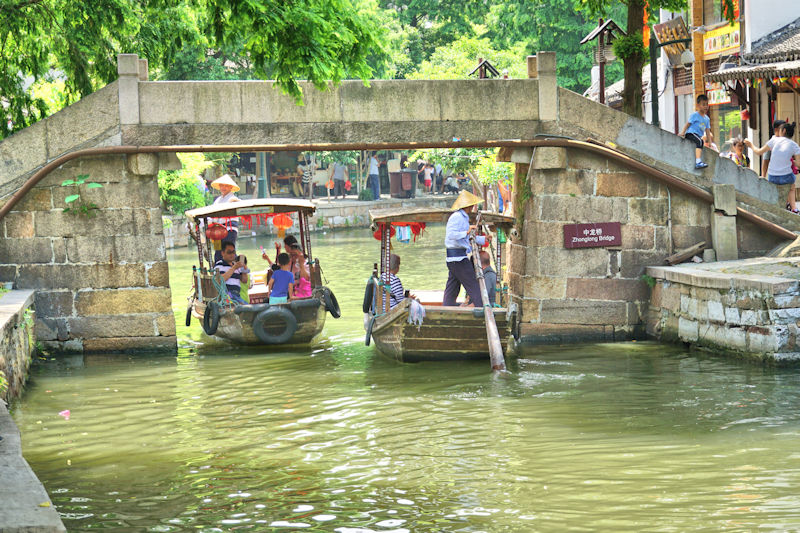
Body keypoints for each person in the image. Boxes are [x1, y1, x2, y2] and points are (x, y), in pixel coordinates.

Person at [443, 190, 488, 307]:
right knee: (473, 284)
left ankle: (447, 307)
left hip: (456, 258)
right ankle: (480, 307)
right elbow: (451, 235)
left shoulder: (463, 218)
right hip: (457, 259)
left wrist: (484, 239)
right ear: (468, 206)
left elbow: (466, 237)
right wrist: (467, 231)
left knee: (453, 286)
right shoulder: (457, 217)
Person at [745, 122, 800, 213]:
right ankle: (794, 208)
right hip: (786, 178)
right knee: (792, 186)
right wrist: (791, 161)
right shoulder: (795, 145)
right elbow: (798, 164)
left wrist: (750, 145)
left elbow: (759, 152)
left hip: (772, 177)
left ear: (783, 131)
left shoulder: (774, 140)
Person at [210, 174, 241, 262]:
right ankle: (219, 269)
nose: (223, 187)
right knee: (219, 253)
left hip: (229, 229)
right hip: (218, 230)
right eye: (222, 185)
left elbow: (240, 204)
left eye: (226, 186)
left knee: (228, 251)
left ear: (231, 187)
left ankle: (234, 269)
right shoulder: (218, 200)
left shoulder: (233, 198)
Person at [679, 94, 713, 169]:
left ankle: (698, 161)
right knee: (700, 142)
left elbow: (707, 131)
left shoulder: (707, 119)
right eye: (703, 104)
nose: (705, 106)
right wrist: (683, 133)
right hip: (691, 134)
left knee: (700, 141)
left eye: (707, 104)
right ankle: (698, 162)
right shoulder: (695, 115)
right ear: (698, 105)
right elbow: (687, 124)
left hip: (698, 136)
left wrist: (710, 143)